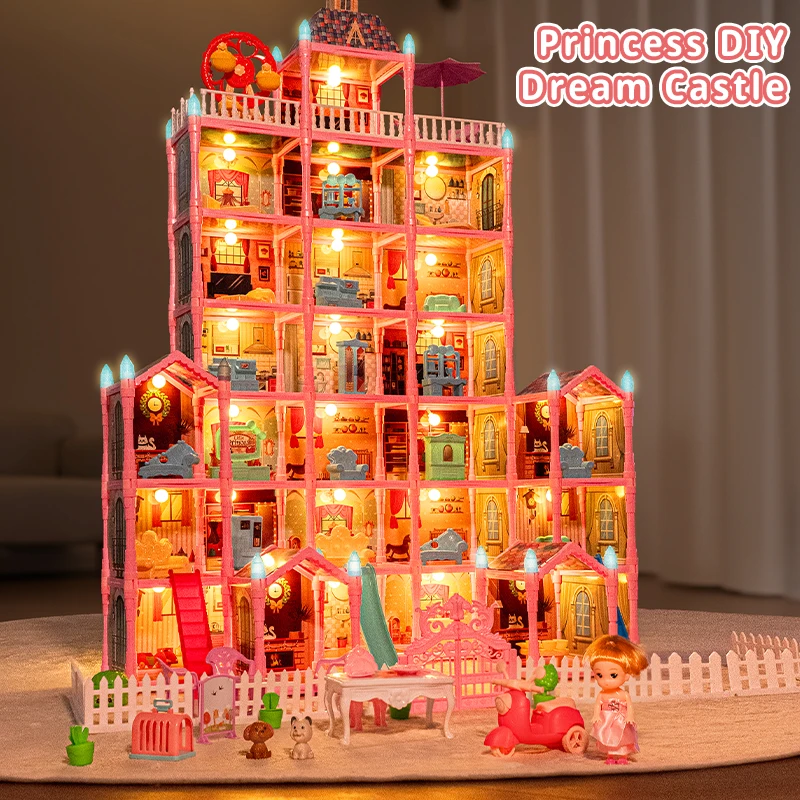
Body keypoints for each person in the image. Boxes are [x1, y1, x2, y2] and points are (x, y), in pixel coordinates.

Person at [584, 634, 649, 765]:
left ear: (626, 676)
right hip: (606, 719)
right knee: (608, 737)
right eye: (600, 675)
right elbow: (598, 705)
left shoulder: (623, 694)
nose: (606, 681)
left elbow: (629, 706)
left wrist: (630, 716)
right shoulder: (602, 694)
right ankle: (610, 755)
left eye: (613, 675)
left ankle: (623, 755)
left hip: (621, 720)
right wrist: (596, 715)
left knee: (622, 738)